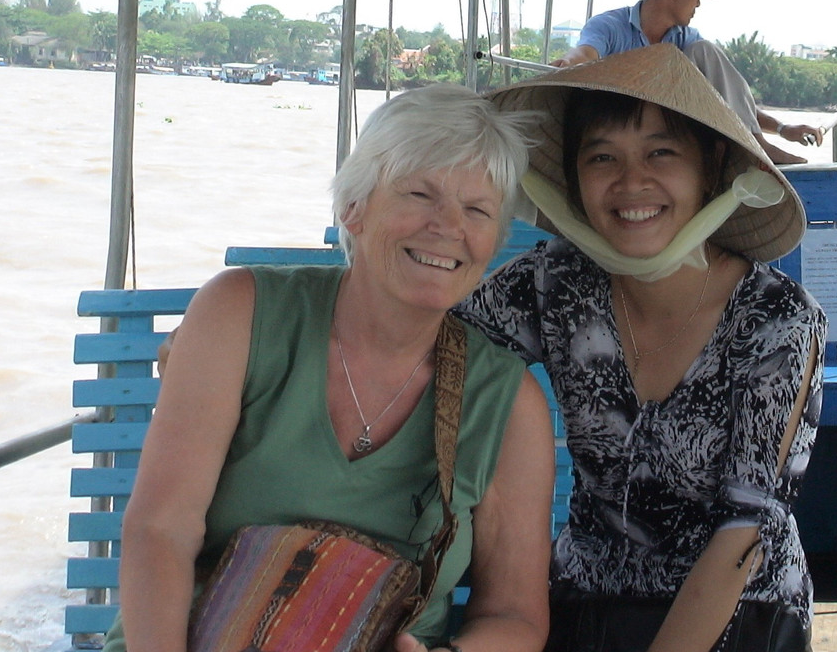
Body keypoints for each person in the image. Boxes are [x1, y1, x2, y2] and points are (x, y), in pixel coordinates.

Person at [106, 84, 556, 652]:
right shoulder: (239, 314)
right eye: (420, 194)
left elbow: (515, 616)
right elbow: (160, 530)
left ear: (493, 242)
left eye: (477, 210)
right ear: (353, 208)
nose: (448, 226)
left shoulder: (506, 405)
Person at [456, 43, 827, 652]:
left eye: (661, 152)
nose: (631, 183)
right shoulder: (555, 282)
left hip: (741, 612)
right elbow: (438, 354)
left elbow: (745, 533)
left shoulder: (776, 320)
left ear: (710, 165)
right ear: (573, 175)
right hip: (585, 598)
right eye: (602, 156)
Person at [551, 0, 823, 166]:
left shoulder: (687, 40)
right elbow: (585, 53)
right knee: (704, 51)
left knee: (703, 51)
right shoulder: (610, 25)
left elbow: (725, 98)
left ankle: (753, 144)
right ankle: (754, 146)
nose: (698, 4)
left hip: (670, 125)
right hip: (621, 123)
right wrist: (567, 64)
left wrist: (783, 128)